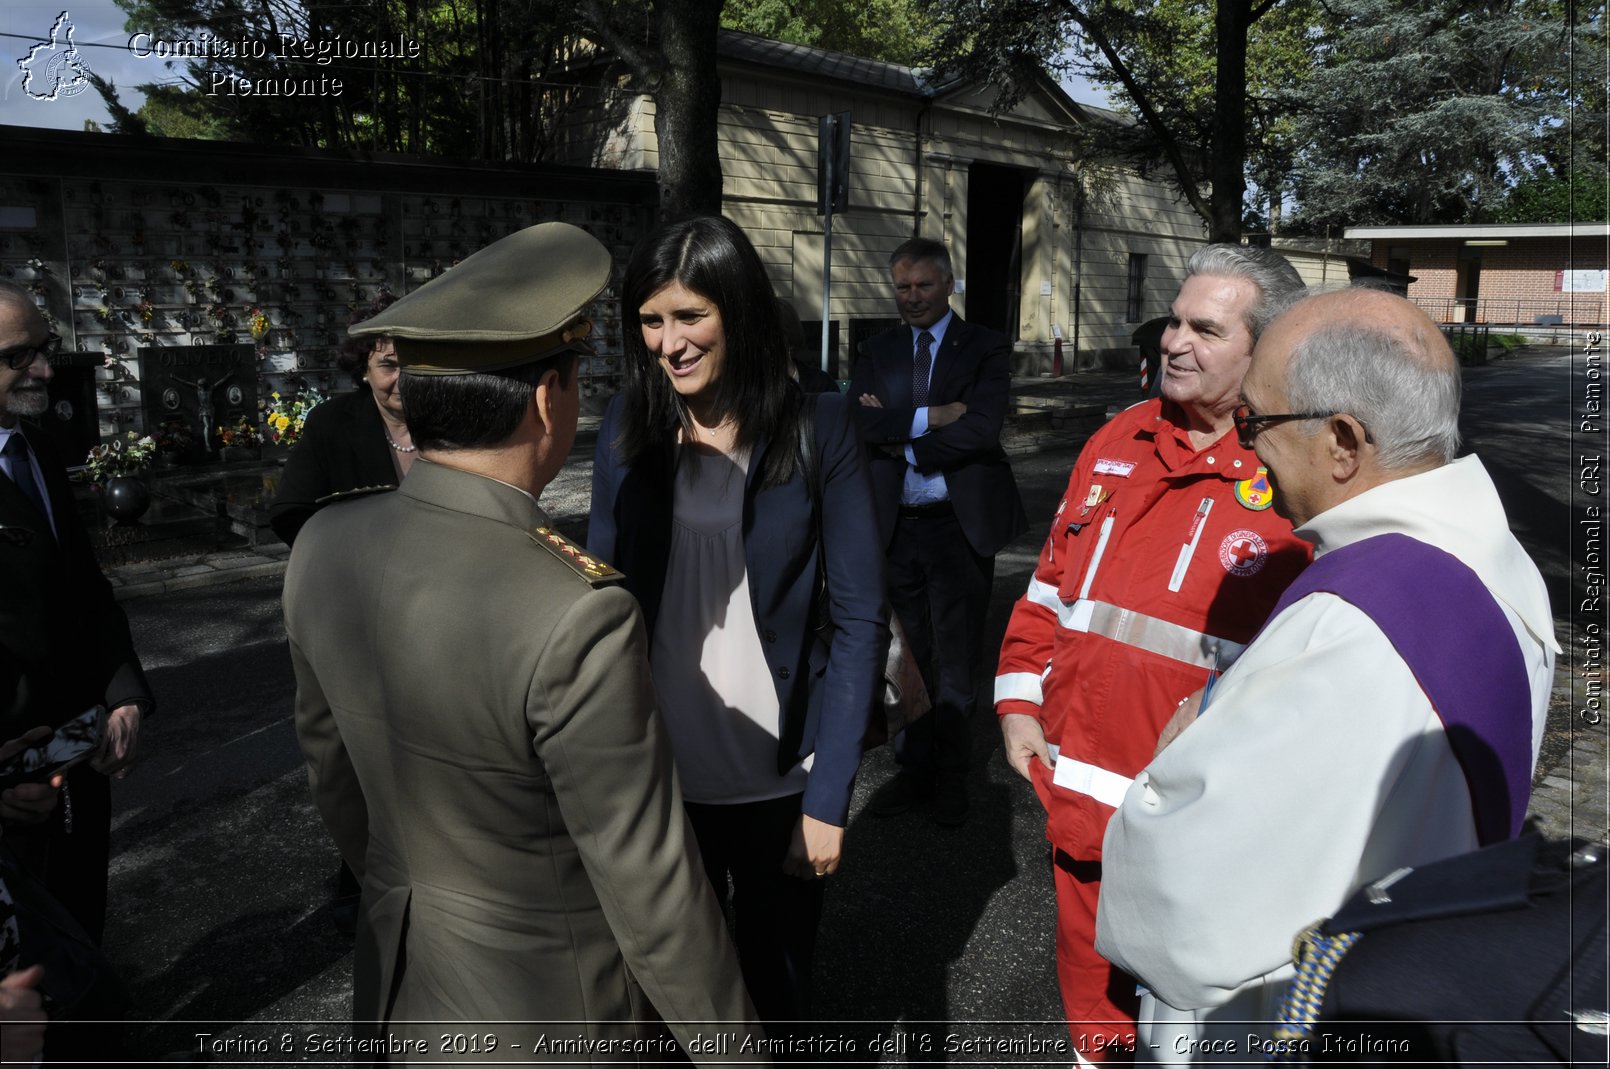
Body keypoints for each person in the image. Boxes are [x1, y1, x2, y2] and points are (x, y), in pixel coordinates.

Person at [284, 222, 761, 1061]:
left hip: (402, 985)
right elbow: (651, 886)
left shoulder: (324, 544)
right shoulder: (577, 610)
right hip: (554, 1009)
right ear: (549, 399)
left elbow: (336, 779)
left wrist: (409, 888)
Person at [1093, 287, 1560, 1062]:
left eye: (1256, 423)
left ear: (1344, 440)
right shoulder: (1493, 556)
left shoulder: (1349, 625)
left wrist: (1183, 751)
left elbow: (1189, 895)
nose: (1246, 451)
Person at [993, 245, 1311, 1060]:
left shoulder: (1297, 475)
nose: (1173, 342)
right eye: (1175, 320)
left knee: (1193, 1033)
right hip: (1078, 804)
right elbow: (1050, 590)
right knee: (1093, 1022)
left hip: (1205, 836)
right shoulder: (1117, 441)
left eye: (1205, 329)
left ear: (1264, 348)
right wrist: (1019, 704)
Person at [589, 215, 884, 1027]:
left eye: (690, 316)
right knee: (662, 1006)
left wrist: (828, 799)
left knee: (778, 994)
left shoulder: (819, 427)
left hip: (779, 780)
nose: (668, 341)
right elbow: (603, 600)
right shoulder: (627, 427)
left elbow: (861, 620)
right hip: (660, 778)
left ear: (741, 313)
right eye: (651, 319)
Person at [850, 236, 1027, 827]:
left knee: (955, 660)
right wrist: (930, 416)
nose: (911, 297)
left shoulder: (984, 347)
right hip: (896, 527)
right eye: (902, 287)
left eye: (923, 285)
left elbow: (979, 430)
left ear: (948, 284)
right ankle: (913, 771)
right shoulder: (878, 348)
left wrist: (897, 434)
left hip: (957, 528)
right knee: (908, 658)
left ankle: (954, 779)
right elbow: (857, 421)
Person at [0, 280, 151, 948]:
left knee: (80, 935)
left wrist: (122, 693)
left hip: (75, 758)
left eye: (44, 348)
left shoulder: (34, 450)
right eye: (16, 356)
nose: (43, 369)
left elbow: (85, 589)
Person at [269, 294, 408, 546]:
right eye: (388, 366)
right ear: (365, 371)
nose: (403, 378)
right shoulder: (331, 424)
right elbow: (290, 512)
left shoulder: (447, 421)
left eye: (413, 365)